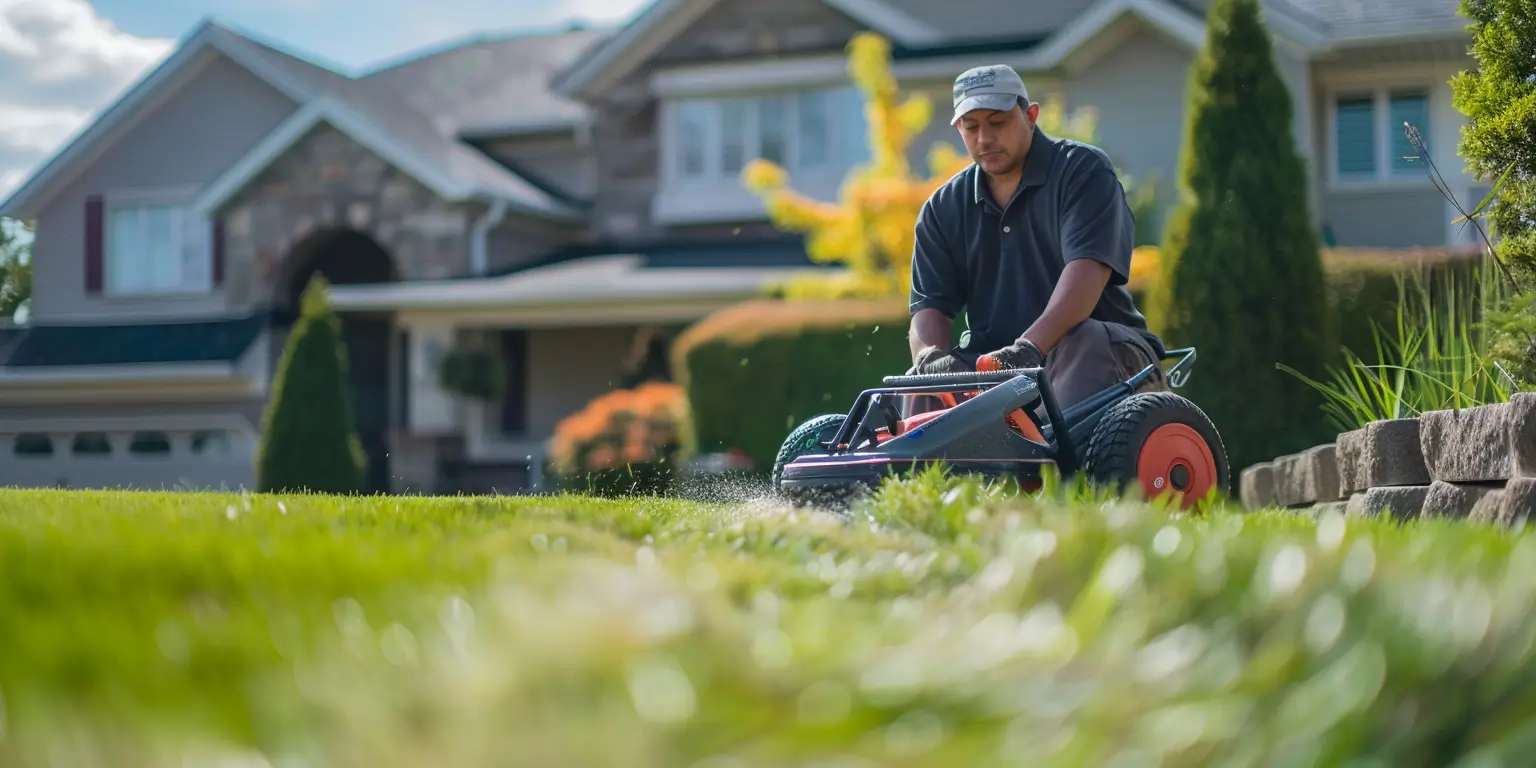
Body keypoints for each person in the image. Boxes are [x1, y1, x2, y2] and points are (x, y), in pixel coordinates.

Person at [905, 63, 1167, 415]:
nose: (984, 138)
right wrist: (930, 360)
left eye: (997, 123)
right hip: (996, 366)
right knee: (921, 382)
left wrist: (1029, 349)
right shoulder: (942, 208)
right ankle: (924, 471)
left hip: (1107, 353)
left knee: (1084, 342)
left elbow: (1088, 272)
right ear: (958, 129)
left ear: (1030, 115)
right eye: (972, 127)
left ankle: (1067, 468)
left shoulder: (1083, 171)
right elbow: (929, 308)